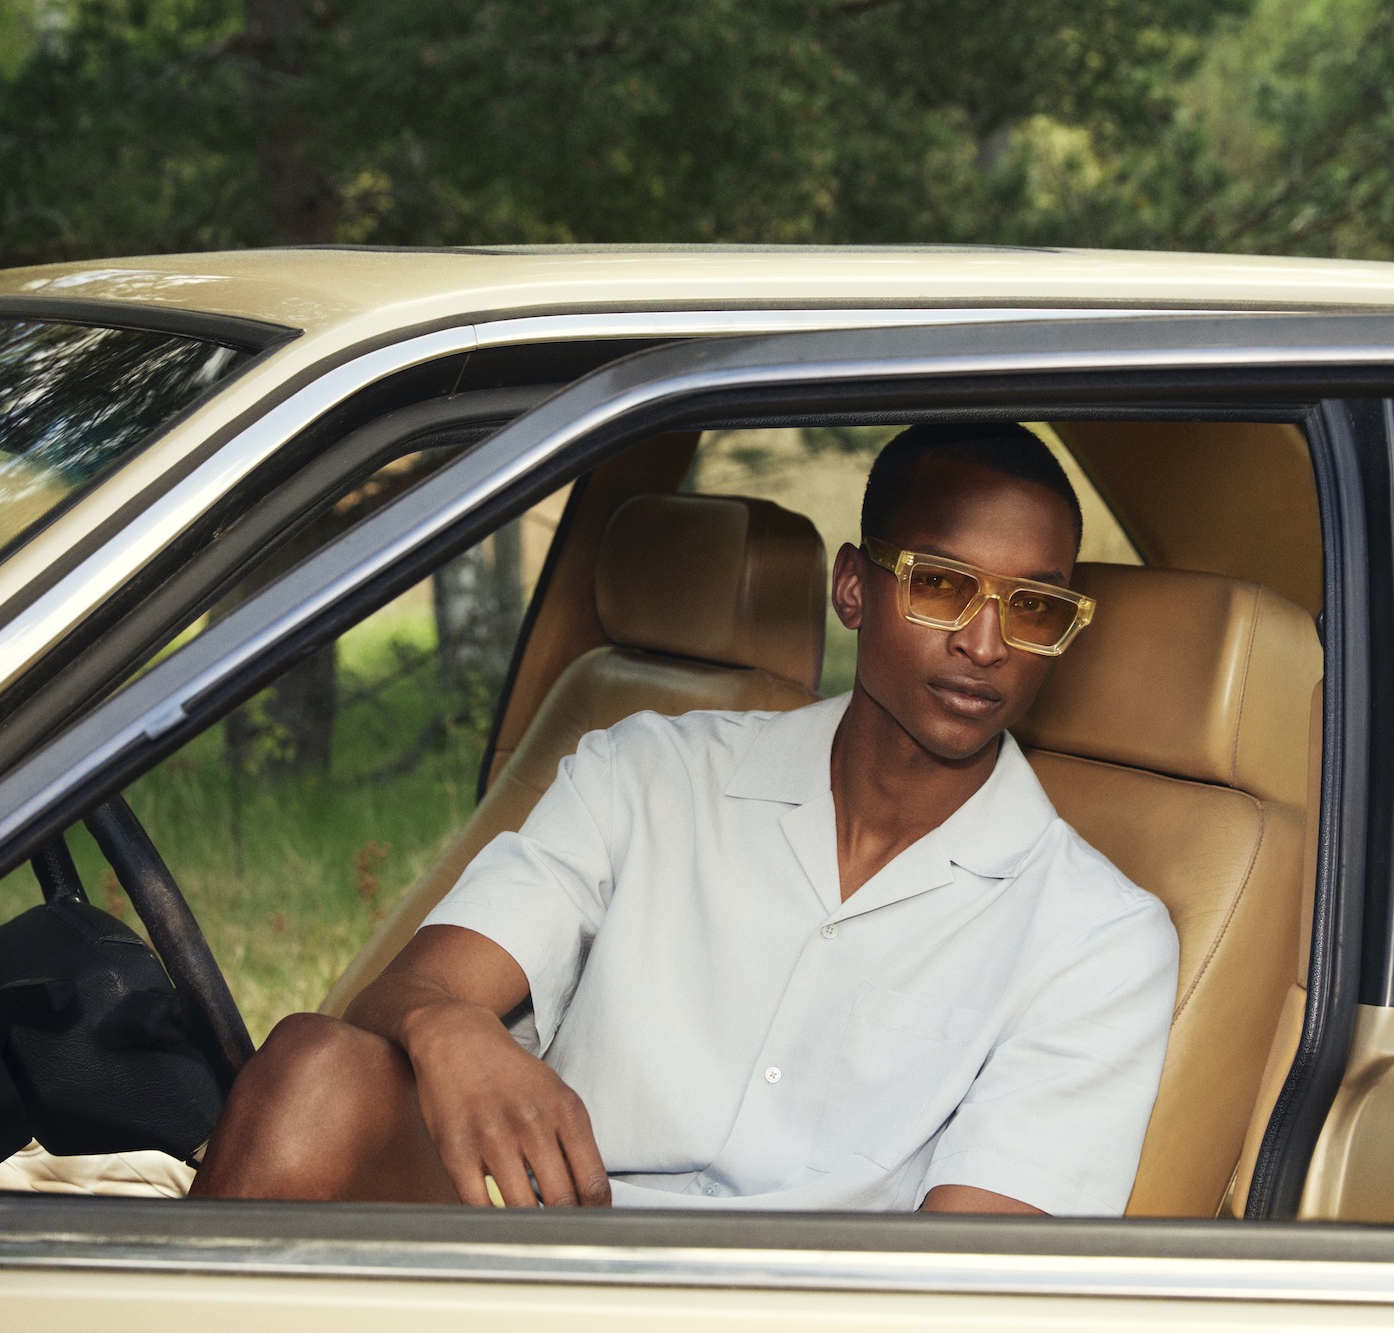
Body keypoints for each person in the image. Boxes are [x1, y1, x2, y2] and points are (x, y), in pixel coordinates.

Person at [192, 422, 1178, 1214]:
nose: (985, 642)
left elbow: (969, 1278)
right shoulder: (649, 772)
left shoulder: (1096, 937)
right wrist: (447, 1025)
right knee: (313, 1069)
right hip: (548, 1241)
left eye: (1033, 606)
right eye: (941, 585)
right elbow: (411, 988)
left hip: (812, 1309)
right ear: (853, 587)